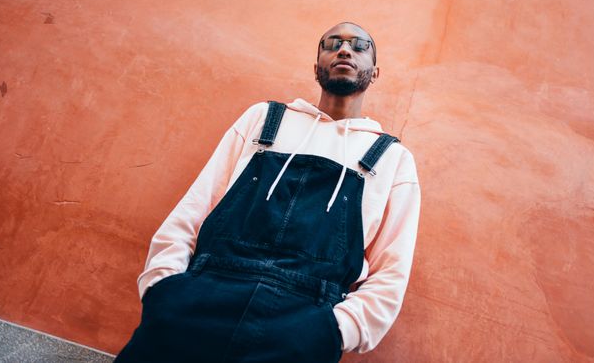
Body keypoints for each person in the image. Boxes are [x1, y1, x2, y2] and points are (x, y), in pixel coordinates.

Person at [114, 22, 421, 362]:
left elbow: (391, 271)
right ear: (316, 65)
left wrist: (332, 331)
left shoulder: (392, 159)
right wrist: (163, 289)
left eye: (359, 45)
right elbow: (197, 205)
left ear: (374, 73)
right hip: (199, 301)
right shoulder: (263, 119)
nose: (344, 50)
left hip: (300, 327)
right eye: (332, 43)